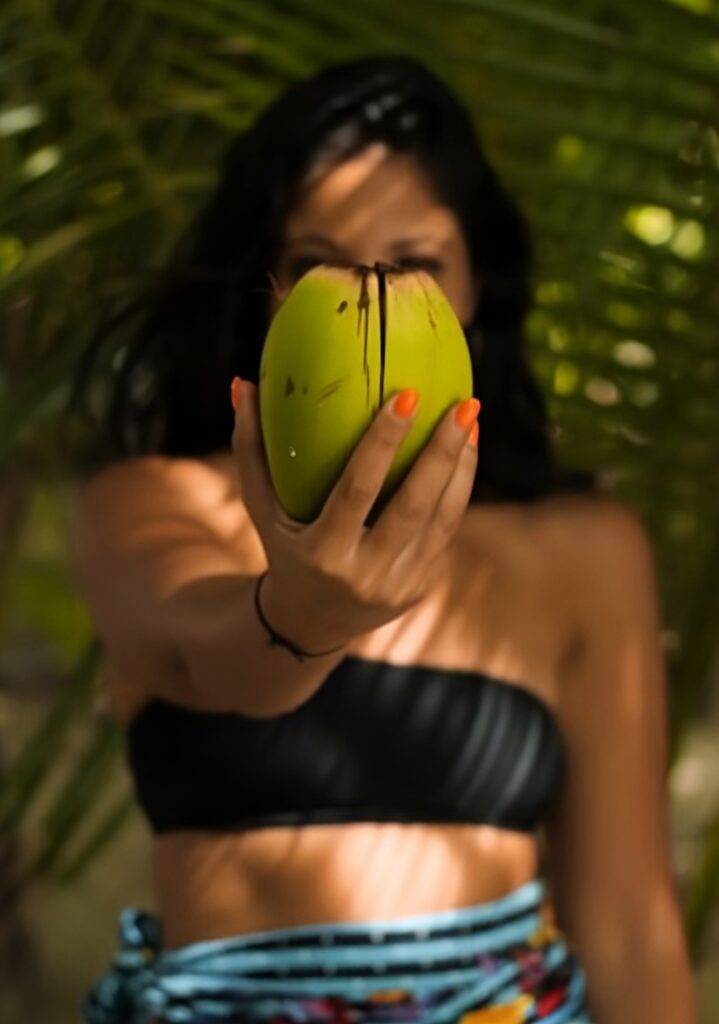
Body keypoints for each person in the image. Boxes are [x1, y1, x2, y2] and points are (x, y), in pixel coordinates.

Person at [68, 55, 696, 1024]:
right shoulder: (152, 505)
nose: (366, 307)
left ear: (474, 288)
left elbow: (624, 925)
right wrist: (301, 617)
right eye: (319, 265)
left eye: (411, 266)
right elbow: (215, 655)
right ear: (266, 302)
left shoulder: (581, 546)